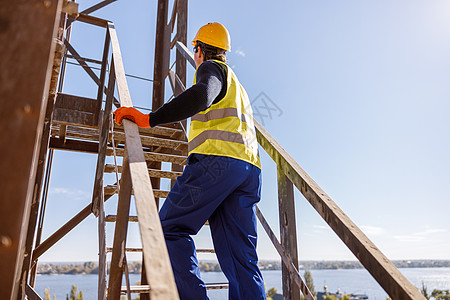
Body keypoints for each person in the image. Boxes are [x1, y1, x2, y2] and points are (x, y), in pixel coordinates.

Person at [115, 22, 266, 300]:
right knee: (241, 257)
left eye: (195, 49)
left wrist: (149, 119)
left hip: (216, 164)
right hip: (249, 171)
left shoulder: (211, 70)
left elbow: (201, 94)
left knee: (168, 229)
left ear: (198, 51)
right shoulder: (238, 86)